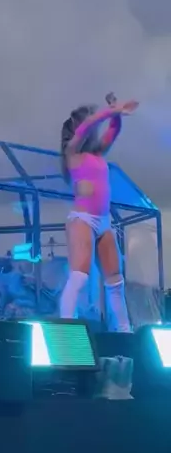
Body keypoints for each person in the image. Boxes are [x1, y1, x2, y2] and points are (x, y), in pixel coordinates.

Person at [59, 96, 138, 332]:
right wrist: (112, 110)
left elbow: (114, 130)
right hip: (82, 220)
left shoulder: (98, 153)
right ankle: (66, 325)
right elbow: (87, 126)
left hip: (103, 221)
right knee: (79, 276)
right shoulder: (72, 152)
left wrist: (116, 114)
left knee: (115, 280)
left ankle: (124, 329)